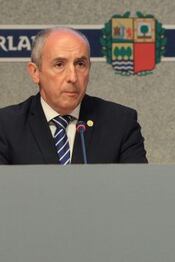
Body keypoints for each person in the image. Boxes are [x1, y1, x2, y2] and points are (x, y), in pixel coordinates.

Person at [0, 27, 148, 164]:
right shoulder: (6, 126)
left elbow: (138, 188)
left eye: (80, 64)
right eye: (59, 64)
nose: (73, 77)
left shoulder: (120, 124)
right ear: (35, 72)